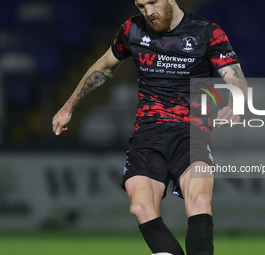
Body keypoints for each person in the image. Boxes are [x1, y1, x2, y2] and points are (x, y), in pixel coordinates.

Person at [52, 0, 247, 254]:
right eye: (141, 5)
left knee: (199, 199)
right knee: (141, 207)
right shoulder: (132, 30)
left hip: (191, 132)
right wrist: (69, 107)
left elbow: (236, 77)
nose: (148, 12)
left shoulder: (207, 32)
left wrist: (237, 104)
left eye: (153, 2)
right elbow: (105, 66)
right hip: (148, 133)